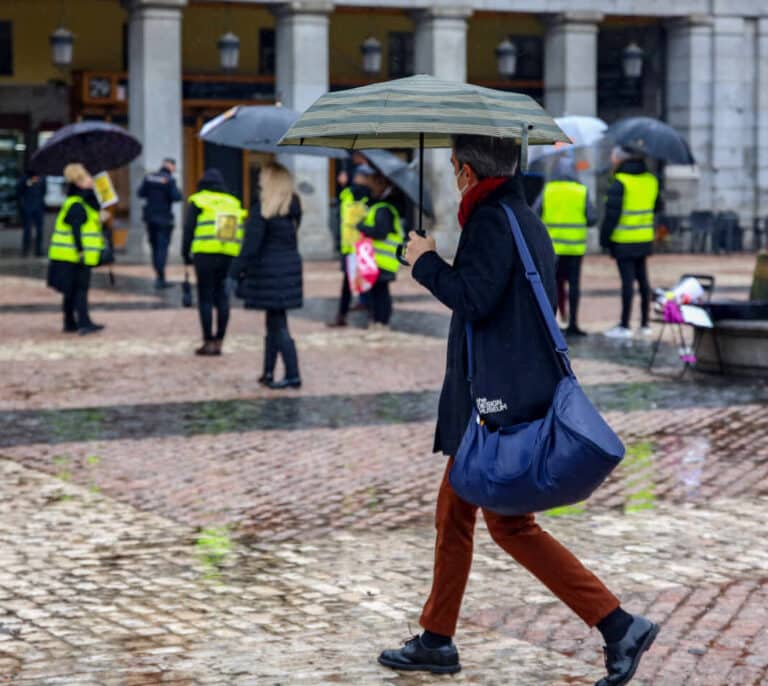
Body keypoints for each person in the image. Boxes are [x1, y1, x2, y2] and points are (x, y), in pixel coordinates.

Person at [378, 135, 658, 685]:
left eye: (454, 168)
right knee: (466, 515)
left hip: (494, 401)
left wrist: (424, 261)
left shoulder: (490, 219)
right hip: (505, 389)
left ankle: (616, 623)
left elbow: (475, 297)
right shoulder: (519, 214)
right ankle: (439, 636)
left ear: (463, 170)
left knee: (505, 523)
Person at [229, 162, 303, 389]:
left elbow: (250, 247)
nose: (259, 179)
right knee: (274, 322)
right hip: (287, 269)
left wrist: (234, 272)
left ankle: (293, 374)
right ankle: (268, 372)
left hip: (271, 270)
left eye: (262, 176)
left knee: (278, 325)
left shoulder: (263, 209)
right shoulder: (292, 207)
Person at [182, 168, 246, 356]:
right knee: (223, 298)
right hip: (228, 255)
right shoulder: (233, 202)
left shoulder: (199, 200)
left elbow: (188, 230)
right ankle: (220, 340)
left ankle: (208, 341)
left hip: (204, 255)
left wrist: (185, 254)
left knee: (205, 298)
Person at [600, 146, 661, 340]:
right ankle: (645, 324)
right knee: (643, 281)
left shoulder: (620, 182)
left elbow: (612, 216)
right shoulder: (651, 180)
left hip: (623, 239)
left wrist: (605, 239)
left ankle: (625, 324)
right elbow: (658, 205)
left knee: (627, 283)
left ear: (620, 160)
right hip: (643, 237)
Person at [533, 156, 597, 337]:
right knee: (574, 285)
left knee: (552, 285)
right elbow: (592, 218)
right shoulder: (581, 191)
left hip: (552, 249)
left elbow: (535, 214)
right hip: (575, 249)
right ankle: (573, 323)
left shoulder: (548, 190)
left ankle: (552, 322)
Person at [46, 163, 107, 335]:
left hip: (70, 254)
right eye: (87, 177)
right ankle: (83, 322)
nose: (91, 180)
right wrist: (81, 251)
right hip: (74, 255)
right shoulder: (78, 203)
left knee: (72, 290)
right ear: (79, 181)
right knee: (80, 289)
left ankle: (70, 322)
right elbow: (76, 229)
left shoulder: (80, 201)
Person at [327, 164, 373, 328]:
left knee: (367, 281)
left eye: (363, 176)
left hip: (364, 246)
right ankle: (342, 316)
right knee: (348, 283)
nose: (358, 177)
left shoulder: (370, 195)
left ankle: (371, 316)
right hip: (350, 247)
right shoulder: (347, 193)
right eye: (358, 175)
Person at [357, 171, 404, 329]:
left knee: (381, 293)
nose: (370, 189)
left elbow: (381, 232)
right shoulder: (380, 206)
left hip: (383, 259)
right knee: (378, 291)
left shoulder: (383, 208)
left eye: (373, 185)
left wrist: (362, 226)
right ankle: (378, 320)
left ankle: (381, 321)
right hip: (378, 259)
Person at [138, 157, 182, 289]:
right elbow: (177, 197)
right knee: (162, 249)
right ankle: (160, 278)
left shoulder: (149, 177)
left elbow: (140, 193)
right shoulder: (169, 180)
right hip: (164, 219)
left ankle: (159, 275)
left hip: (150, 218)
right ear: (171, 166)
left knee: (154, 247)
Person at [16, 170, 47, 257]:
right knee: (27, 229)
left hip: (38, 207)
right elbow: (19, 191)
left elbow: (44, 191)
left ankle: (38, 250)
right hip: (27, 207)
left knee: (39, 230)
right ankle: (25, 250)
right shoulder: (24, 178)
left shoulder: (42, 178)